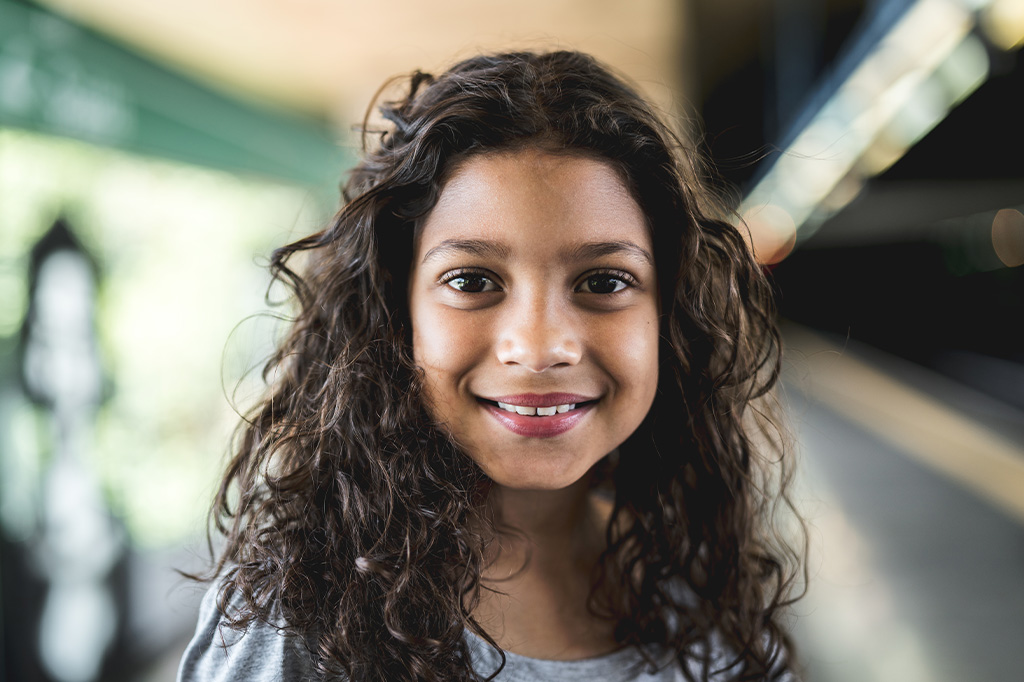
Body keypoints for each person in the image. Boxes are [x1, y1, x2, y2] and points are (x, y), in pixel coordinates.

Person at [177, 50, 805, 682]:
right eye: (473, 280)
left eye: (605, 280)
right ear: (397, 314)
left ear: (669, 316)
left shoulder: (703, 587)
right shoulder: (300, 618)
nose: (537, 348)